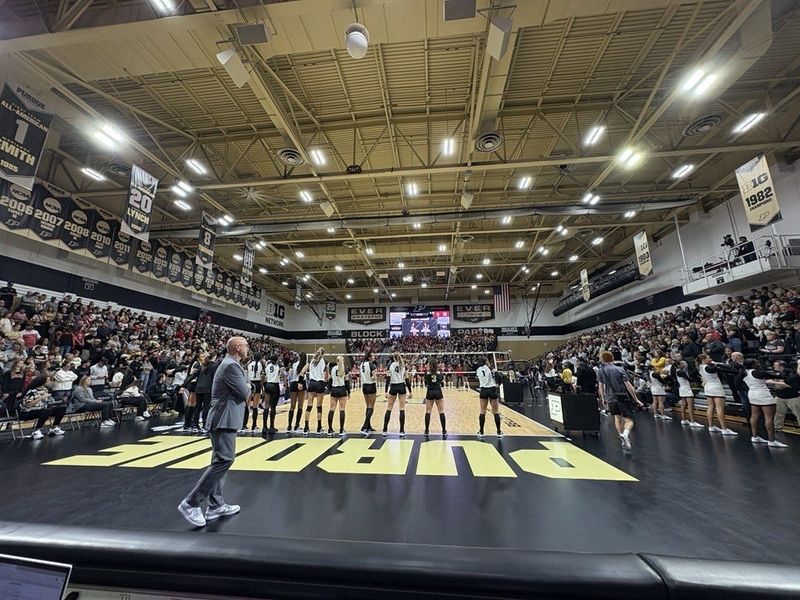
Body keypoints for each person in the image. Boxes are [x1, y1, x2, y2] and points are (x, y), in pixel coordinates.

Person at [178, 336, 249, 528]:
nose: (247, 348)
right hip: (223, 418)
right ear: (236, 347)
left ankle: (216, 505)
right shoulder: (231, 366)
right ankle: (191, 503)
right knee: (225, 460)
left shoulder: (230, 364)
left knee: (219, 460)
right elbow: (245, 393)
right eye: (245, 346)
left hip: (223, 418)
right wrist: (248, 386)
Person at [597, 351, 643, 451]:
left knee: (617, 418)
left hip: (610, 398)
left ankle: (622, 437)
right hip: (622, 397)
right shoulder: (620, 369)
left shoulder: (601, 371)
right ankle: (625, 434)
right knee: (629, 419)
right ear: (612, 358)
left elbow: (600, 386)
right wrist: (636, 399)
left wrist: (603, 398)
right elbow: (628, 385)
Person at [743, 358, 787, 448]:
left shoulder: (743, 373)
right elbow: (778, 377)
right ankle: (772, 440)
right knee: (769, 418)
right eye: (756, 362)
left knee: (754, 416)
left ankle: (755, 436)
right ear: (752, 365)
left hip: (752, 394)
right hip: (763, 395)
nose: (758, 363)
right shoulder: (758, 372)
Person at [696, 354, 737, 436]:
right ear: (704, 360)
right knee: (719, 408)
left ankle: (711, 426)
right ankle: (724, 429)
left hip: (708, 387)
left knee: (710, 407)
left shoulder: (700, 367)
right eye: (708, 358)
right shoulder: (709, 367)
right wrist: (717, 364)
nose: (710, 359)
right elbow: (726, 369)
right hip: (715, 387)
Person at [18, 375, 67, 440]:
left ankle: (54, 428)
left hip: (41, 409)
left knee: (62, 408)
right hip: (27, 412)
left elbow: (47, 401)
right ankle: (36, 431)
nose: (50, 382)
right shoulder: (32, 391)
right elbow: (28, 405)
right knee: (47, 411)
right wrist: (41, 398)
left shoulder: (45, 390)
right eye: (48, 381)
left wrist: (51, 400)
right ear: (43, 382)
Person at [300, 348, 327, 436]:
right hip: (320, 383)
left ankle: (306, 427)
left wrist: (300, 383)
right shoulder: (324, 361)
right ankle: (319, 428)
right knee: (319, 407)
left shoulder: (310, 361)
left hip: (312, 383)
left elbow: (302, 372)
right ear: (323, 354)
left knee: (309, 406)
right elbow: (327, 376)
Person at [383, 351, 410, 437]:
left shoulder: (390, 365)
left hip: (393, 386)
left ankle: (384, 430)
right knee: (402, 409)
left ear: (393, 357)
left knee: (389, 408)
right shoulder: (403, 365)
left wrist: (386, 391)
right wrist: (410, 391)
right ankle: (401, 431)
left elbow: (387, 379)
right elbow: (407, 380)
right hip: (401, 386)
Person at [476, 355, 502, 439]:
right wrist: (498, 384)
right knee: (496, 412)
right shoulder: (491, 369)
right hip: (492, 389)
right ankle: (499, 432)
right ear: (486, 361)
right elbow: (499, 376)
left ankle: (481, 431)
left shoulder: (478, 370)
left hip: (483, 390)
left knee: (482, 411)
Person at [771, 360, 800, 432]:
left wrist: (774, 382)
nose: (774, 366)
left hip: (792, 397)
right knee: (778, 414)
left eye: (775, 365)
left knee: (799, 413)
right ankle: (777, 428)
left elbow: (790, 384)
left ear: (781, 366)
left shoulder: (791, 373)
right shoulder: (776, 373)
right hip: (779, 396)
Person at [675, 361, 703, 428]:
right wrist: (698, 380)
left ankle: (684, 419)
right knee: (690, 405)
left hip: (682, 388)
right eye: (681, 364)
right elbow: (689, 379)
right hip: (686, 388)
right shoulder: (680, 372)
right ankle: (692, 421)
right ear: (678, 365)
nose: (683, 364)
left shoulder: (678, 371)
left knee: (684, 404)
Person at [327, 355, 349, 437]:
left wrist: (329, 390)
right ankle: (341, 429)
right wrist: (349, 392)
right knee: (342, 410)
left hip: (334, 389)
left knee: (331, 409)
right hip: (342, 389)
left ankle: (329, 429)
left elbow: (330, 380)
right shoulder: (345, 369)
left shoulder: (332, 369)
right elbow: (347, 382)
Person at [423, 359, 447, 438]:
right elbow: (441, 382)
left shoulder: (427, 373)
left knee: (428, 411)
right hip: (438, 391)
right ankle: (444, 430)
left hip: (430, 391)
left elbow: (426, 382)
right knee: (441, 412)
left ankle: (426, 431)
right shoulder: (440, 373)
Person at [243, 352, 265, 434]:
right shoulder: (261, 364)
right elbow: (263, 376)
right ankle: (254, 425)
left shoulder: (248, 364)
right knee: (255, 406)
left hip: (249, 384)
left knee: (246, 405)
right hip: (257, 384)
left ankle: (243, 425)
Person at [286, 352, 306, 434]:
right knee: (300, 406)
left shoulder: (294, 364)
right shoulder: (304, 364)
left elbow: (289, 376)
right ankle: (297, 425)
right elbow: (303, 375)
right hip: (301, 383)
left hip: (293, 384)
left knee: (292, 406)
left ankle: (289, 426)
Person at [262, 354, 282, 434]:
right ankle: (271, 426)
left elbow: (263, 376)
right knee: (273, 407)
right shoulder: (278, 366)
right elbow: (280, 374)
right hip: (274, 385)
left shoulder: (267, 366)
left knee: (266, 406)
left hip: (267, 385)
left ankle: (264, 427)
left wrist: (263, 386)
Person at [359, 350, 378, 435]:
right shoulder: (372, 365)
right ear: (369, 357)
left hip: (364, 386)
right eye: (373, 356)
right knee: (371, 407)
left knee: (368, 406)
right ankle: (364, 427)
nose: (374, 357)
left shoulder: (361, 364)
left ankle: (369, 426)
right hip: (371, 386)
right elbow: (374, 378)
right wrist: (375, 377)